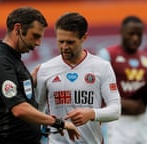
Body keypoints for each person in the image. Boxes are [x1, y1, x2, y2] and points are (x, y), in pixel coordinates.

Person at [0, 7, 80, 144]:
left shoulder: (13, 59)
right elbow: (19, 109)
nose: (38, 43)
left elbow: (18, 92)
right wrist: (58, 123)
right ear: (18, 29)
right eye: (35, 36)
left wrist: (32, 80)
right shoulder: (0, 61)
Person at [36, 12, 121, 144]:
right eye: (60, 41)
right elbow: (37, 112)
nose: (64, 47)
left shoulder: (102, 67)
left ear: (84, 37)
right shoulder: (45, 69)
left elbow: (116, 111)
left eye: (70, 42)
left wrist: (92, 114)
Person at [97, 15, 147, 144]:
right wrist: (124, 104)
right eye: (131, 34)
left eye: (139, 35)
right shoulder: (107, 55)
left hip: (143, 122)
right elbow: (98, 91)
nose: (135, 38)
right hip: (118, 123)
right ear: (122, 32)